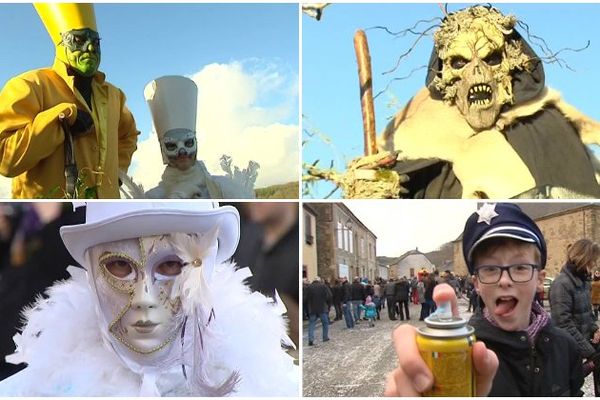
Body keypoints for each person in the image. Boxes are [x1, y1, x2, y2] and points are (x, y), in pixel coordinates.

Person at [0, 202, 298, 396]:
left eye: (170, 265)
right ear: (91, 272)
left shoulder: (276, 387)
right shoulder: (31, 391)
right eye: (119, 266)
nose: (144, 298)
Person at [342, 5, 600, 199]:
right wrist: (368, 193)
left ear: (513, 67)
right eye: (459, 63)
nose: (477, 73)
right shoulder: (416, 152)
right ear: (445, 78)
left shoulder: (548, 126)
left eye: (492, 59)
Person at [385, 202, 584, 396]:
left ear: (540, 280)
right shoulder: (461, 357)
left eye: (520, 267)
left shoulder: (566, 347)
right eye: (490, 269)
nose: (505, 280)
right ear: (477, 283)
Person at [0, 4, 139, 199]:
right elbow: (6, 160)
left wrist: (115, 174)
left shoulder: (113, 95)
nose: (90, 48)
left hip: (105, 214)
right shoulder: (30, 86)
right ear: (61, 43)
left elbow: (128, 135)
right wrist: (60, 120)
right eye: (79, 40)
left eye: (95, 42)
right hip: (49, 218)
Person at [143, 76, 257, 199]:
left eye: (188, 143)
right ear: (162, 149)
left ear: (196, 143)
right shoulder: (152, 198)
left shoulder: (225, 188)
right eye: (171, 146)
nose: (182, 152)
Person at [549, 239, 600, 373]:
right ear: (583, 258)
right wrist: (590, 353)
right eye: (592, 260)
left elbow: (586, 314)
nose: (594, 264)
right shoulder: (561, 284)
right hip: (566, 351)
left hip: (579, 348)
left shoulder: (584, 282)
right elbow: (563, 324)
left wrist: (595, 329)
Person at [306, 276, 332, 346]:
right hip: (322, 307)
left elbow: (305, 298)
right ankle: (325, 337)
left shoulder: (309, 287)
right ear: (319, 280)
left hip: (312, 308)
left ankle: (310, 339)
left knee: (311, 324)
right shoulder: (323, 286)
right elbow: (329, 296)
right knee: (325, 322)